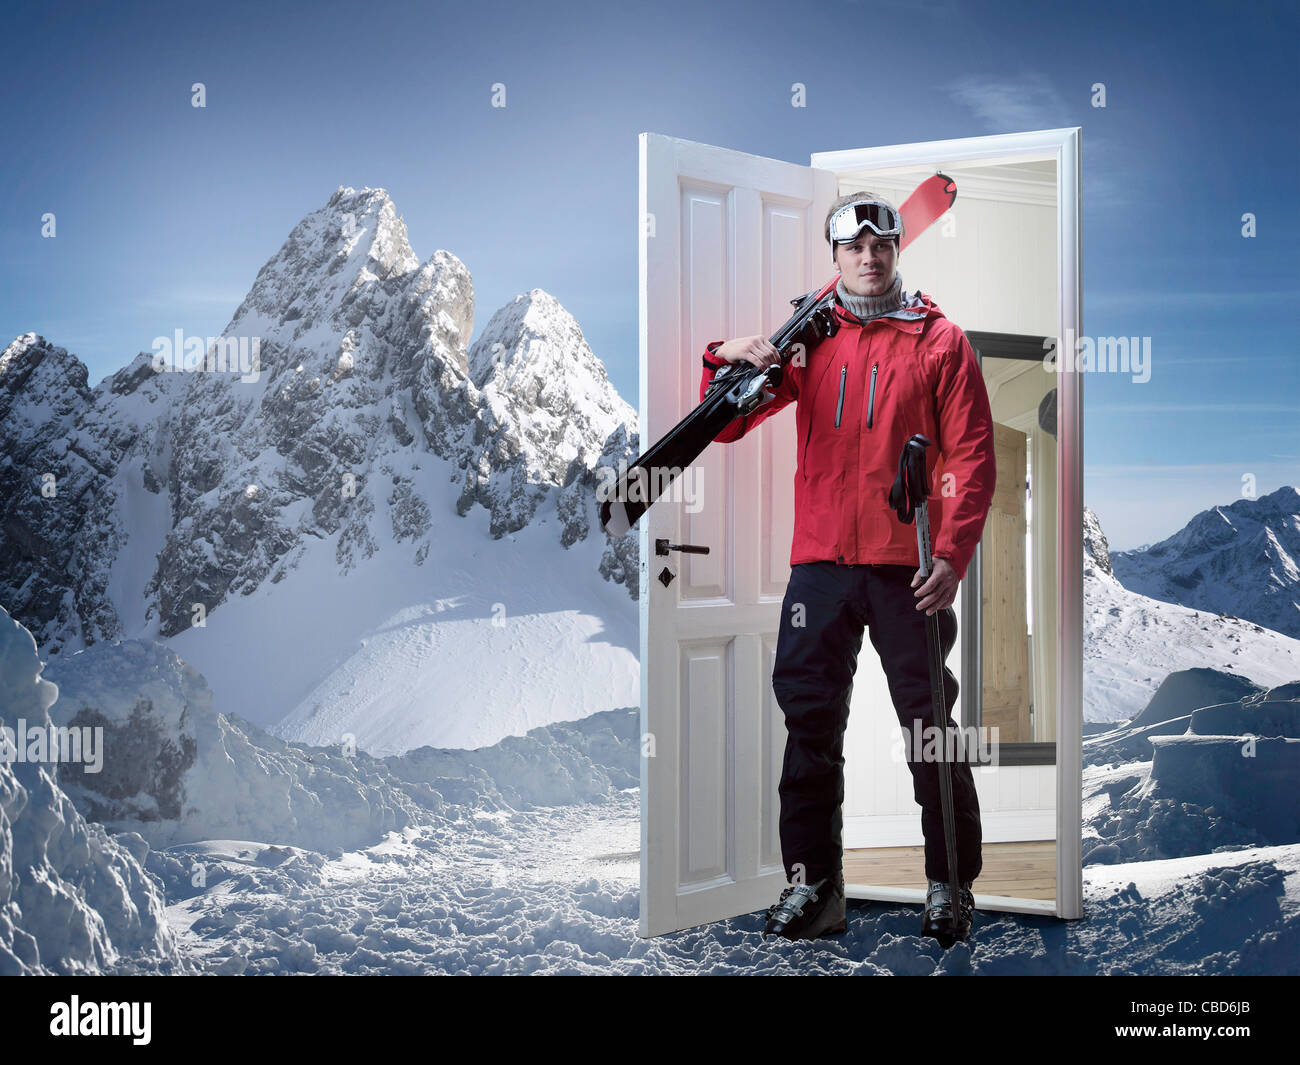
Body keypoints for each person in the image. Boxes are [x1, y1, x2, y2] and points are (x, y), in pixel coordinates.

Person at [697, 192, 997, 943]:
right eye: (854, 247)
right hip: (821, 568)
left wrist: (951, 554)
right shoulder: (810, 339)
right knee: (810, 726)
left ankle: (950, 884)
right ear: (834, 256)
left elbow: (973, 460)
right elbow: (728, 425)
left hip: (909, 569)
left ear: (897, 251)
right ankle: (814, 886)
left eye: (881, 245)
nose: (869, 257)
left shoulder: (940, 340)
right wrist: (728, 357)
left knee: (930, 728)